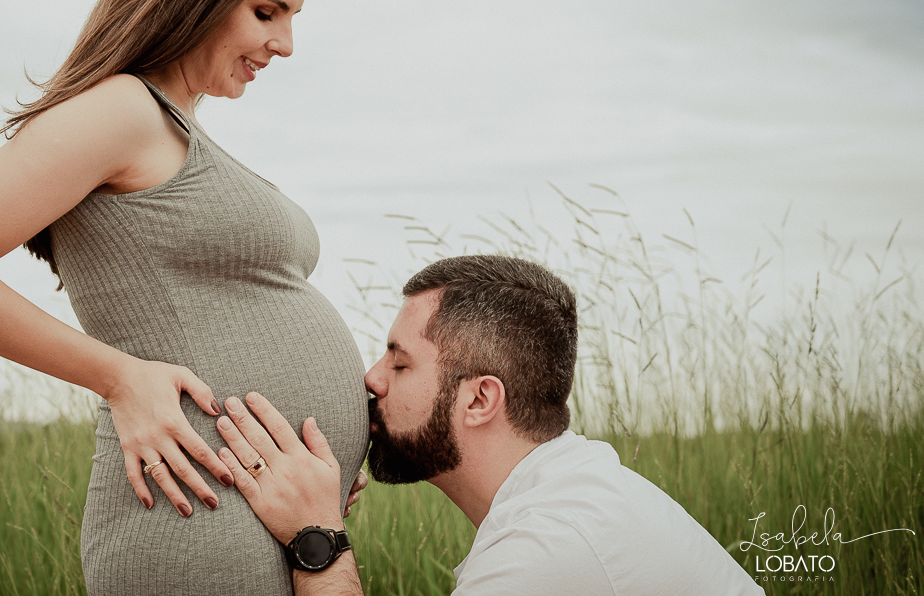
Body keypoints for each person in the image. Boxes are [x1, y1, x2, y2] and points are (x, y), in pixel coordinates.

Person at [0, 0, 369, 596]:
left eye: (292, 16)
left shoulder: (175, 124)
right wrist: (120, 378)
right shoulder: (122, 110)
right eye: (266, 11)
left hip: (263, 507)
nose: (285, 43)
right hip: (197, 508)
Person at [214, 254, 764, 595]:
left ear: (479, 399)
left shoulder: (549, 545)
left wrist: (317, 536)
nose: (372, 378)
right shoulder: (577, 488)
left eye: (400, 364)